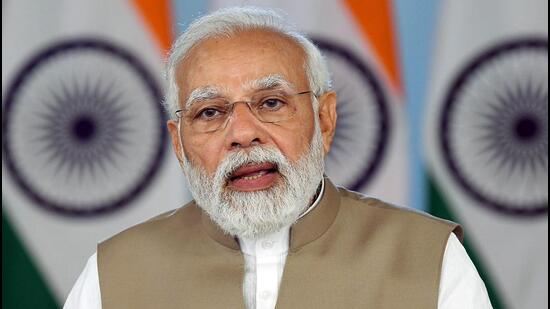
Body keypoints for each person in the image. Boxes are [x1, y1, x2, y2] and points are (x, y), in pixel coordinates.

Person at [64, 7, 493, 309]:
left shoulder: (430, 259)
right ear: (179, 143)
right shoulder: (114, 275)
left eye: (270, 103)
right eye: (210, 112)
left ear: (324, 120)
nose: (243, 133)